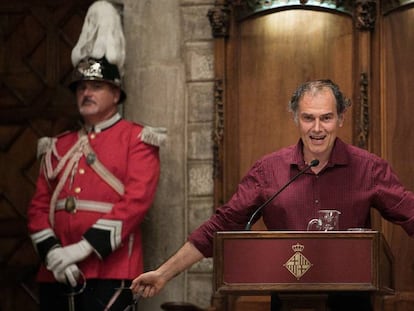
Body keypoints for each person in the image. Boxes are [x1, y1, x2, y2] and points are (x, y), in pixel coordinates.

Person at [130, 79, 414, 310]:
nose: (317, 128)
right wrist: (163, 273)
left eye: (326, 118)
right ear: (295, 118)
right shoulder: (268, 171)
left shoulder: (369, 168)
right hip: (288, 300)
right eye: (308, 118)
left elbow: (410, 213)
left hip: (351, 302)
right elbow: (219, 226)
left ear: (341, 118)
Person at [27, 1, 164, 310]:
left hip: (110, 271)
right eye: (81, 87)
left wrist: (80, 249)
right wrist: (53, 253)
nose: (86, 92)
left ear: (115, 94)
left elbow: (135, 203)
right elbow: (38, 206)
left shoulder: (137, 139)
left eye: (97, 86)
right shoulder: (57, 146)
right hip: (56, 273)